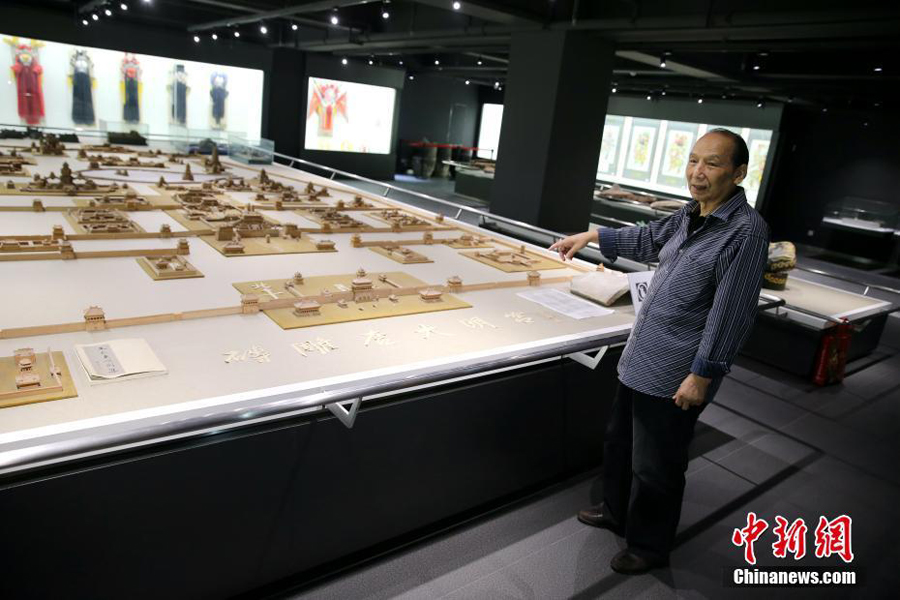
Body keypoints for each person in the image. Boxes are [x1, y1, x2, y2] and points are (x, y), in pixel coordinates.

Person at [549, 129, 769, 575]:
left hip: (676, 373)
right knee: (619, 443)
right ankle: (615, 509)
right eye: (692, 161)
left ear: (739, 172)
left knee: (657, 465)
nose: (697, 173)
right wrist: (592, 235)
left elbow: (731, 314)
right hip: (641, 359)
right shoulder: (691, 213)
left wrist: (702, 375)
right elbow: (649, 238)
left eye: (711, 163)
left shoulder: (745, 233)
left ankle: (649, 545)